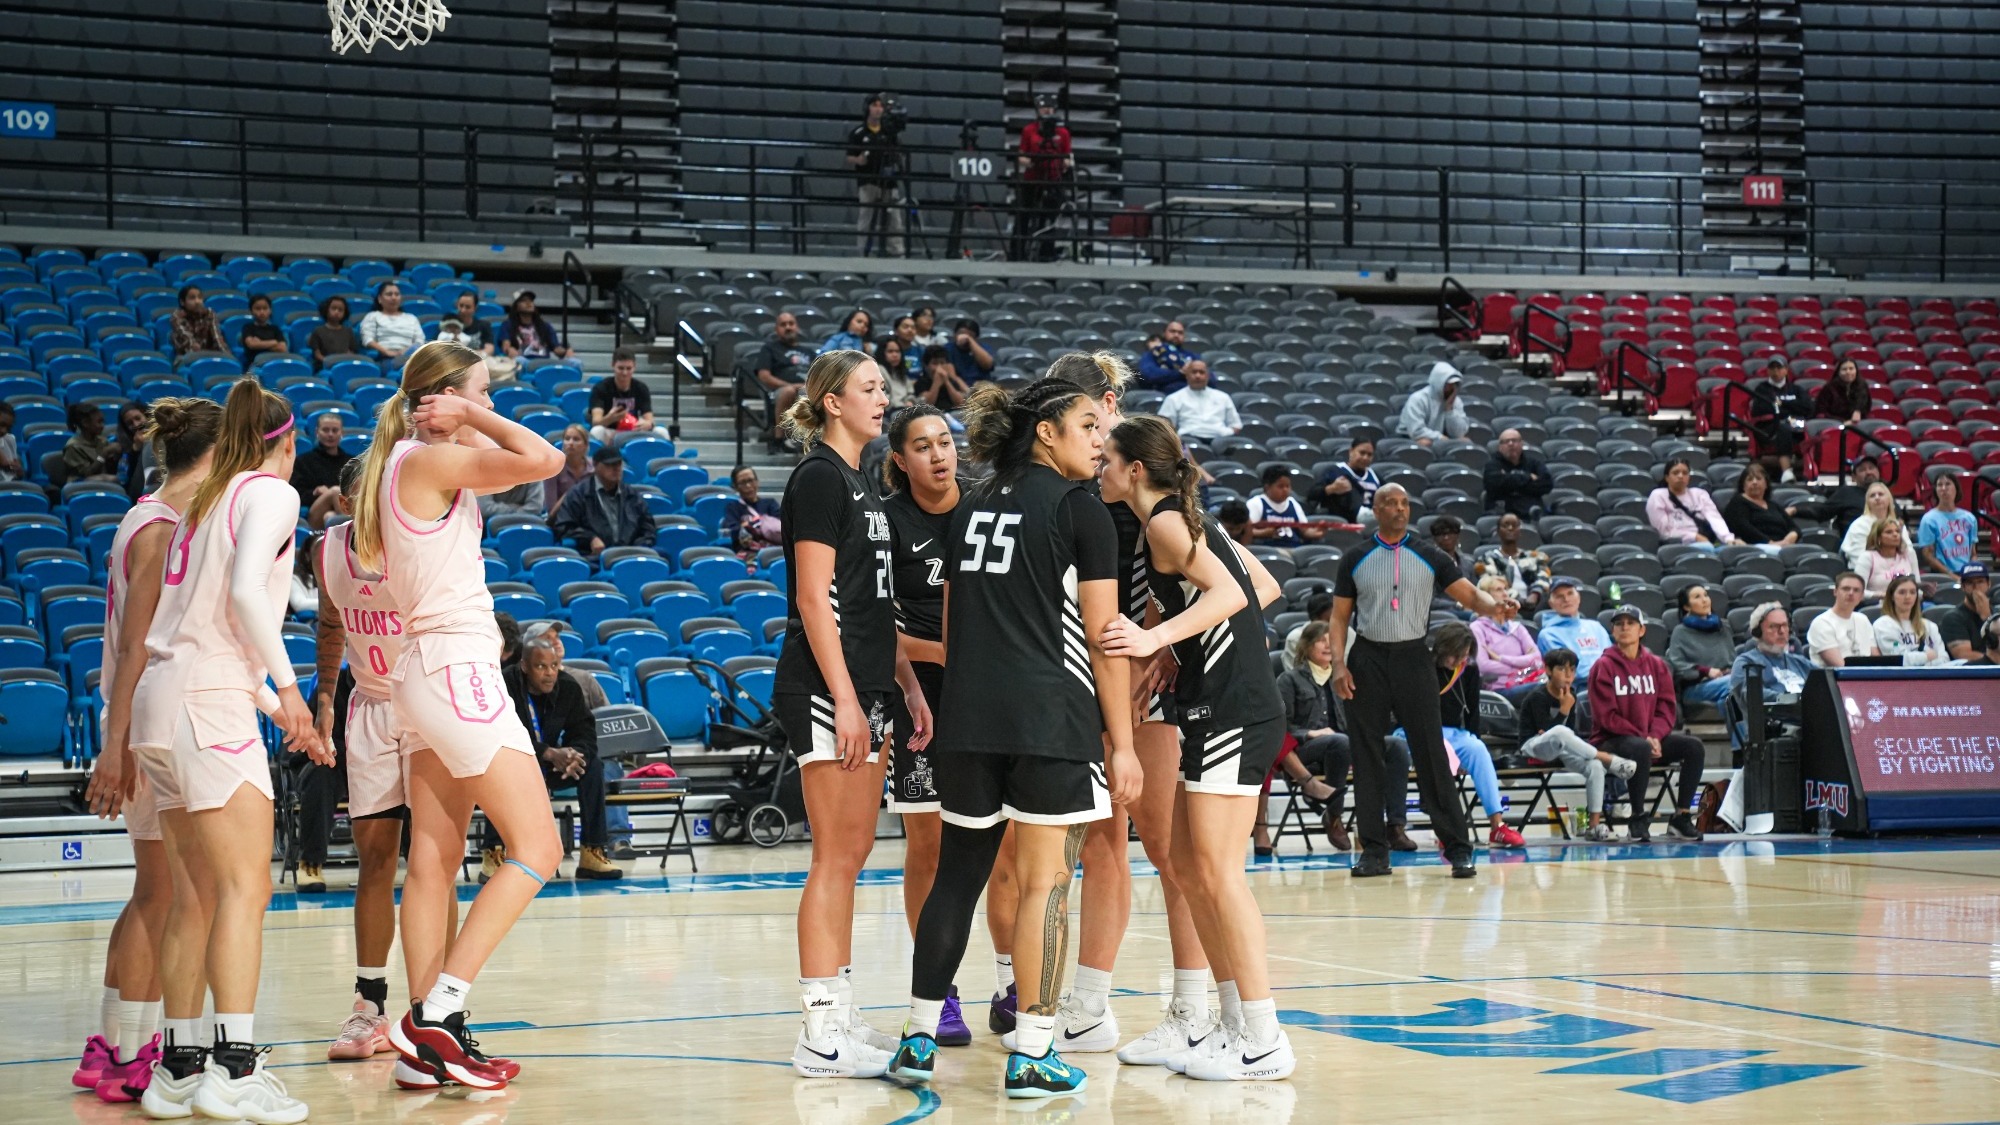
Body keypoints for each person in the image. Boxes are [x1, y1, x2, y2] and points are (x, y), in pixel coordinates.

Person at [888, 377, 1136, 1100]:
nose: (1101, 438)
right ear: (1048, 433)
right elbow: (1104, 637)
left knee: (955, 877)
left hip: (968, 720)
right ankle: (1033, 1052)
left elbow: (953, 622)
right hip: (1049, 721)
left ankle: (916, 1037)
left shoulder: (971, 507)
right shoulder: (1080, 510)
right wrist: (1120, 742)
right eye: (1088, 424)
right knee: (1046, 883)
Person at [348, 339, 564, 1093]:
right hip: (455, 670)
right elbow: (546, 460)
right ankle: (437, 1015)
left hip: (421, 672)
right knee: (539, 845)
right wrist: (470, 414)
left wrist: (461, 414)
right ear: (442, 401)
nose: (490, 406)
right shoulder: (430, 459)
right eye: (479, 393)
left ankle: (422, 1044)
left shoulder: (403, 461)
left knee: (434, 861)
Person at [126, 379, 327, 1120]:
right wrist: (293, 688)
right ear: (289, 441)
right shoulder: (271, 493)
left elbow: (209, 628)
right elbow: (245, 598)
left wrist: (279, 709)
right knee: (246, 889)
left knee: (195, 894)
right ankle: (234, 1072)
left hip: (165, 702)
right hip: (208, 704)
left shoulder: (204, 498)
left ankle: (176, 1071)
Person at [1098, 411, 1298, 1080]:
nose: (1099, 469)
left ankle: (1264, 1036)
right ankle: (1231, 1021)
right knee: (1188, 864)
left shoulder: (1162, 521)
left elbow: (1227, 595)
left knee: (1217, 872)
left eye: (1107, 460)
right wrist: (1182, 648)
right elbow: (1262, 586)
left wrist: (1156, 639)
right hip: (1215, 701)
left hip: (1236, 708)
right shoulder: (1185, 516)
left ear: (1133, 469)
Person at [772, 350, 932, 1080]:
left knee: (856, 852)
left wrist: (906, 685)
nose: (884, 396)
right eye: (869, 387)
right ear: (832, 401)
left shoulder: (863, 484)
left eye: (883, 386)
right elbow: (813, 599)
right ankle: (818, 1029)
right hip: (824, 688)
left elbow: (872, 611)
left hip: (869, 687)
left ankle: (837, 1009)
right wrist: (842, 697)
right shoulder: (816, 478)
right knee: (834, 857)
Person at [79, 398, 221, 1106]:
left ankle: (112, 1046)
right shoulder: (164, 528)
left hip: (135, 712)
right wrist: (116, 744)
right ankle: (133, 1052)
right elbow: (135, 645)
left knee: (153, 891)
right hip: (144, 717)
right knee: (165, 894)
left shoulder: (146, 512)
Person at [302, 460, 426, 1064]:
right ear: (349, 496)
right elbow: (330, 624)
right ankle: (370, 1007)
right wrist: (326, 696)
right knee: (375, 860)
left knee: (432, 860)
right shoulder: (327, 549)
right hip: (372, 707)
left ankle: (435, 1011)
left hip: (429, 704)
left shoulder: (420, 538)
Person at [1328, 482, 1510, 879]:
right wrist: (1339, 665)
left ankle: (1458, 848)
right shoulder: (1355, 556)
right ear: (1375, 510)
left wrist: (1497, 606)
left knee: (1431, 752)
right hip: (1367, 658)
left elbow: (1469, 596)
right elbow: (1339, 617)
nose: (1399, 508)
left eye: (1404, 503)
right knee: (1367, 754)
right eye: (1390, 503)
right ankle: (1374, 850)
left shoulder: (1429, 554)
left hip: (1413, 656)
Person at [879, 403, 971, 1046]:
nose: (939, 454)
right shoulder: (885, 521)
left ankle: (1013, 982)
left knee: (1015, 849)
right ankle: (938, 993)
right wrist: (935, 660)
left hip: (993, 691)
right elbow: (873, 627)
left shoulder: (988, 511)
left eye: (945, 441)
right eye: (923, 445)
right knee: (930, 846)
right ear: (899, 460)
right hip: (922, 695)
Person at [479, 635, 623, 879]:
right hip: (515, 762)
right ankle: (494, 851)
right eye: (540, 666)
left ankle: (592, 851)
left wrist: (575, 754)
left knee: (593, 767)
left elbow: (586, 732)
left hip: (552, 765)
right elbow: (498, 734)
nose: (549, 673)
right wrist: (546, 751)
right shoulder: (504, 685)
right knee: (500, 769)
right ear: (524, 666)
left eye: (554, 666)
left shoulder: (568, 687)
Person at [1589, 606, 1706, 842]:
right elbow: (1607, 716)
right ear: (1612, 631)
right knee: (1639, 748)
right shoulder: (1603, 666)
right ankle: (1638, 818)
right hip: (1610, 741)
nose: (1624, 627)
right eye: (1619, 623)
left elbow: (1666, 708)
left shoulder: (1657, 665)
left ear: (1642, 630)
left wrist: (1655, 735)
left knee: (1694, 746)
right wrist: (1645, 738)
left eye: (1630, 623)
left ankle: (1681, 817)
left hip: (1647, 738)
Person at [1407, 623, 1526, 848]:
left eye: (1464, 655)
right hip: (1415, 730)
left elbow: (1472, 714)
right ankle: (1448, 828)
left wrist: (1472, 741)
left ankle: (1497, 826)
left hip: (1453, 732)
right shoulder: (1422, 667)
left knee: (1478, 750)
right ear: (1442, 648)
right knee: (1445, 752)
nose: (1459, 660)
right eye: (1455, 655)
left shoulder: (1469, 670)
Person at [1516, 648, 1636, 842]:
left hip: (1562, 747)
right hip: (1533, 747)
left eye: (1572, 670)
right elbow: (1546, 732)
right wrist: (1564, 709)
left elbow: (1571, 732)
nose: (1568, 675)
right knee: (1560, 732)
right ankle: (1607, 758)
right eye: (1562, 670)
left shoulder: (1571, 694)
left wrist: (1566, 712)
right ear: (1548, 670)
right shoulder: (1537, 696)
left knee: (1594, 766)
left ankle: (1594, 826)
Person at [1277, 622, 1355, 849]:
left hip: (1342, 746)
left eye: (1332, 641)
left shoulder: (1342, 678)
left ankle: (1393, 825)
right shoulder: (1289, 680)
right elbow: (1281, 727)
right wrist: (1309, 733)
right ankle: (1334, 816)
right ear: (1307, 646)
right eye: (1322, 640)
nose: (1328, 645)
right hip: (1304, 749)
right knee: (1339, 742)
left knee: (1394, 747)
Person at [551, 446, 656, 560]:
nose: (615, 468)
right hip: (594, 557)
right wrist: (590, 538)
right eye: (609, 465)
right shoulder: (578, 494)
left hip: (631, 555)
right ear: (595, 465)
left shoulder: (632, 496)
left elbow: (648, 528)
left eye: (618, 464)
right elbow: (564, 526)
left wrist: (639, 547)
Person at [1012, 92, 1073, 262]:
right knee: (1023, 216)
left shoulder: (1063, 132)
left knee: (1050, 218)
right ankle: (1017, 252)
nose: (1047, 110)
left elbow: (1067, 155)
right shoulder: (1029, 130)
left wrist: (1065, 163)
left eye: (1050, 108)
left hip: (1053, 179)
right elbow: (1021, 155)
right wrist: (1031, 162)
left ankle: (1046, 253)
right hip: (1032, 179)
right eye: (1043, 108)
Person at [848, 94, 905, 256]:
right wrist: (858, 159)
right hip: (868, 181)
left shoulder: (890, 133)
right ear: (867, 108)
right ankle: (863, 252)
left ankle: (896, 251)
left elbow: (898, 153)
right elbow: (849, 156)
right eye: (874, 105)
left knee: (894, 218)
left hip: (889, 181)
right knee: (866, 218)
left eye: (881, 106)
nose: (878, 109)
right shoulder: (858, 133)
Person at [1472, 574, 1545, 702]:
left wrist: (1501, 659)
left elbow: (1537, 659)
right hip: (1499, 689)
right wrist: (1521, 668)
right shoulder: (1478, 628)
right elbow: (1484, 666)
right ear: (1486, 596)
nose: (1505, 594)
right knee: (1544, 689)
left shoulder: (1517, 627)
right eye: (1499, 590)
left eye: (1505, 589)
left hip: (1526, 682)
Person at [754, 312, 815, 448]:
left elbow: (819, 376)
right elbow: (764, 375)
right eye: (783, 324)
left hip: (806, 389)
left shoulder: (809, 352)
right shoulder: (769, 348)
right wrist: (791, 386)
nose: (788, 327)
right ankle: (778, 439)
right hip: (780, 391)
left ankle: (810, 441)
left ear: (797, 327)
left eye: (791, 324)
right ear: (777, 330)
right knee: (788, 391)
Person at [1646, 457, 1735, 549]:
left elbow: (1715, 518)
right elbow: (1663, 532)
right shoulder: (1658, 496)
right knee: (1706, 548)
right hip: (1677, 544)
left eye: (1685, 473)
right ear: (1667, 477)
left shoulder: (1700, 494)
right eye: (1676, 473)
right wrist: (1693, 536)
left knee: (1734, 549)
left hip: (1706, 540)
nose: (1680, 476)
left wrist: (1728, 539)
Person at [1538, 577, 1614, 682]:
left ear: (1578, 598)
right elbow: (1567, 672)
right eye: (1559, 596)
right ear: (1551, 604)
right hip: (1579, 690)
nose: (1566, 599)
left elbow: (1612, 659)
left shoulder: (1596, 627)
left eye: (1570, 593)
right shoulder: (1548, 635)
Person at [1474, 512, 1551, 614]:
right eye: (1505, 525)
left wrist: (1535, 594)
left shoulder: (1534, 557)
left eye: (1514, 526)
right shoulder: (1487, 559)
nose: (1510, 528)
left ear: (1520, 531)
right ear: (1498, 531)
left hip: (1535, 605)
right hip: (1503, 607)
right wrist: (1520, 601)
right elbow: (1491, 585)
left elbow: (1543, 578)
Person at [1749, 357, 1813, 481]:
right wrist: (1791, 408)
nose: (1776, 371)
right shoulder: (1762, 389)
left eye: (1779, 368)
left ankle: (1812, 469)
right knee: (1784, 427)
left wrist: (1782, 404)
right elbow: (1761, 409)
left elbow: (1808, 408)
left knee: (1810, 428)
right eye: (1772, 368)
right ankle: (1787, 471)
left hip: (1795, 423)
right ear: (1767, 371)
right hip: (1769, 427)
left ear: (1786, 370)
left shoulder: (1796, 389)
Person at [587, 348, 667, 444]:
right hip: (611, 430)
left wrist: (646, 424)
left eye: (629, 368)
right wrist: (611, 418)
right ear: (613, 365)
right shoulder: (601, 388)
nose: (625, 373)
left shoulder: (641, 388)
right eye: (620, 368)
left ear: (634, 367)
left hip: (634, 430)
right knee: (597, 431)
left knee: (661, 431)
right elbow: (596, 422)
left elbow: (649, 419)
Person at [1722, 461, 1801, 549]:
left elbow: (1794, 527)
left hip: (1783, 545)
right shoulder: (1737, 503)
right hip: (1754, 547)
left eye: (1759, 479)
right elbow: (1744, 528)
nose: (1754, 482)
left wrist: (1790, 538)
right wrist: (1770, 543)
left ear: (1766, 484)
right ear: (1743, 486)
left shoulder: (1774, 506)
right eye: (1750, 479)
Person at [1807, 572, 1878, 668]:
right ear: (1835, 592)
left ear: (1861, 596)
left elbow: (1876, 659)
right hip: (1836, 680)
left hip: (1865, 677)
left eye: (1856, 590)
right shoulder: (1821, 623)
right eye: (1846, 589)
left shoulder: (1863, 619)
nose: (1851, 593)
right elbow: (1840, 667)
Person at [1872, 575, 1947, 666]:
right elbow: (1898, 659)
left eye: (1912, 592)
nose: (1908, 597)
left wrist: (1924, 664)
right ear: (1892, 596)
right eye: (1902, 592)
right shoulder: (1883, 624)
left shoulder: (1930, 626)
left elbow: (1944, 658)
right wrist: (1926, 656)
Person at [1157, 360, 1240, 440]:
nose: (1198, 376)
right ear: (1186, 375)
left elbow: (1236, 425)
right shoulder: (1174, 398)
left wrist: (1226, 433)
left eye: (1201, 372)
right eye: (1194, 372)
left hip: (1220, 438)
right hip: (1188, 439)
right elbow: (1164, 426)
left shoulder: (1223, 397)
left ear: (1208, 376)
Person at [1917, 473, 1980, 576]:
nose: (1943, 488)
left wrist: (1971, 572)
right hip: (1942, 574)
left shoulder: (1969, 518)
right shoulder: (1929, 519)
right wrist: (1952, 576)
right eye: (1939, 485)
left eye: (1947, 484)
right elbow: (1928, 556)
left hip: (1965, 573)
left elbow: (1973, 553)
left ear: (1956, 489)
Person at [1245, 465, 1319, 549]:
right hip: (1269, 548)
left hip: (1294, 548)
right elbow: (1246, 532)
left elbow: (1305, 531)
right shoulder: (1256, 503)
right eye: (1280, 486)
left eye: (1287, 486)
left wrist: (1316, 532)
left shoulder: (1293, 503)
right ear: (1267, 487)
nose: (1285, 490)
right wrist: (1263, 533)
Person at [1482, 429, 1551, 518]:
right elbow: (1493, 484)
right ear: (1500, 447)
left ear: (1521, 444)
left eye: (1514, 440)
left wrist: (1509, 480)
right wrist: (1528, 477)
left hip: (1532, 515)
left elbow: (1547, 484)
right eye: (1506, 442)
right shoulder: (1492, 465)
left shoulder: (1534, 463)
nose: (1511, 444)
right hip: (1502, 515)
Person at [1396, 361, 1469, 446]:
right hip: (1409, 438)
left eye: (1453, 384)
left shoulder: (1455, 401)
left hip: (1441, 438)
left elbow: (1459, 433)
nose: (1450, 388)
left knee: (1465, 441)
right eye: (1447, 384)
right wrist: (1440, 437)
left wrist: (1449, 410)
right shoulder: (1418, 399)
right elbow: (1416, 430)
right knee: (1425, 443)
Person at [289, 411, 350, 510]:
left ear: (342, 433)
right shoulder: (303, 461)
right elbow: (295, 494)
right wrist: (314, 492)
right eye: (325, 430)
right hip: (315, 512)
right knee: (335, 492)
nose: (330, 434)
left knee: (329, 516)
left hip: (340, 510)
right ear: (317, 432)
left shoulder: (350, 462)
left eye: (335, 430)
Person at [358, 281, 424, 364]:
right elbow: (367, 339)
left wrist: (405, 352)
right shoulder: (373, 316)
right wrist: (386, 352)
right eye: (389, 294)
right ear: (379, 299)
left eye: (397, 294)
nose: (394, 297)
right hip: (385, 358)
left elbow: (419, 340)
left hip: (409, 355)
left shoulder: (411, 318)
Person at [1314, 437, 1378, 522]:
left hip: (1373, 520)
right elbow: (1312, 494)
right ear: (1351, 451)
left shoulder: (1375, 475)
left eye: (1369, 455)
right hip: (1345, 520)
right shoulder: (1335, 470)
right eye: (1362, 453)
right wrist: (1331, 489)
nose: (1365, 458)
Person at [722, 464, 783, 553]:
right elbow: (734, 532)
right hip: (748, 552)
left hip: (775, 550)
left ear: (757, 482)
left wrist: (749, 525)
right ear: (735, 486)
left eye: (751, 480)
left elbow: (781, 526)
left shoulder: (770, 503)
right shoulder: (733, 507)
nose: (748, 486)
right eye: (743, 482)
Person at [1855, 518, 1920, 598]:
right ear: (1878, 538)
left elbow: (1917, 585)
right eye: (1889, 532)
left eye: (1897, 531)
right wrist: (1885, 596)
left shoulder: (1909, 554)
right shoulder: (1867, 557)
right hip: (1878, 605)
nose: (1895, 534)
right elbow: (1857, 591)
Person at [1940, 562, 1992, 661]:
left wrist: (1988, 618)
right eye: (1970, 583)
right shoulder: (1953, 618)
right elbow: (1963, 655)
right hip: (1970, 674)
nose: (1976, 587)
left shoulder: (1997, 614)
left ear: (1989, 584)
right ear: (1963, 586)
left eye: (1980, 581)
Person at [498, 291, 570, 362]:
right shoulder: (508, 325)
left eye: (531, 301)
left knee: (575, 362)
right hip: (523, 361)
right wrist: (509, 349)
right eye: (523, 301)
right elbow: (506, 346)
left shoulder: (544, 326)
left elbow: (556, 349)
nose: (529, 303)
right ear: (516, 307)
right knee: (519, 360)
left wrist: (566, 351)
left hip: (543, 362)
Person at [1840, 480, 1897, 569]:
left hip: (1894, 572)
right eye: (1872, 495)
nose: (1877, 498)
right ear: (1868, 503)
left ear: (1889, 499)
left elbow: (1908, 553)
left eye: (1881, 494)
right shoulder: (1859, 525)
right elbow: (1859, 561)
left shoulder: (1896, 524)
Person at [64, 402, 123, 482]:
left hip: (101, 478)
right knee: (112, 479)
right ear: (85, 423)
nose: (103, 426)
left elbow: (109, 468)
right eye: (99, 422)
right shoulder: (73, 446)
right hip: (79, 483)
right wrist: (104, 454)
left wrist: (116, 456)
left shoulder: (102, 441)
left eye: (103, 422)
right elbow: (86, 473)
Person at [1137, 321, 1202, 393]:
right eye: (1172, 331)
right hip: (1166, 394)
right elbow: (1149, 374)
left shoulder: (1191, 356)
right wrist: (1180, 373)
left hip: (1194, 394)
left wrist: (1193, 372)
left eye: (1180, 333)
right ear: (1164, 333)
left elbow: (1210, 377)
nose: (1176, 335)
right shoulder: (1152, 354)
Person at [1825, 454, 1883, 531]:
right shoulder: (1846, 493)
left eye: (1871, 468)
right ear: (1853, 477)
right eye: (1862, 470)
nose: (1868, 472)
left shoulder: (1886, 493)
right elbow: (1823, 512)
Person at [169, 285, 229, 357]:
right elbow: (189, 340)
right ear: (182, 302)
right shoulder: (177, 316)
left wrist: (227, 356)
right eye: (192, 298)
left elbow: (217, 337)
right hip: (185, 356)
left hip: (208, 355)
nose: (197, 301)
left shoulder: (209, 313)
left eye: (200, 297)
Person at [545, 423, 591, 513]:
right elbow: (551, 509)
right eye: (567, 439)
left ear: (585, 446)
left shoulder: (594, 469)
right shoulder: (554, 468)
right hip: (562, 518)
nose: (570, 443)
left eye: (576, 439)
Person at [308, 295, 360, 368]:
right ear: (326, 310)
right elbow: (317, 354)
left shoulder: (349, 331)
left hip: (344, 365)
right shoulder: (318, 331)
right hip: (325, 366)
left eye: (340, 310)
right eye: (333, 308)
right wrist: (329, 362)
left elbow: (352, 351)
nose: (336, 312)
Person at [1814, 357, 1870, 424]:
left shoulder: (1862, 386)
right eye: (1844, 369)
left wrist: (1858, 411)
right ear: (1838, 372)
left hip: (1857, 425)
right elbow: (1821, 413)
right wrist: (1842, 422)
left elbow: (1866, 407)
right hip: (1833, 424)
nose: (1848, 372)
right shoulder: (1829, 388)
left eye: (1851, 369)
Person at [916, 344, 970, 409]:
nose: (939, 367)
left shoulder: (951, 380)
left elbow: (960, 403)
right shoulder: (921, 382)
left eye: (942, 363)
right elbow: (927, 405)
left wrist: (947, 382)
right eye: (935, 363)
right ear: (926, 366)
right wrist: (936, 383)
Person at [943, 319, 995, 384]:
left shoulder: (984, 348)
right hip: (958, 388)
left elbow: (987, 365)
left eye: (970, 335)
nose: (964, 337)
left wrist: (970, 341)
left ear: (976, 338)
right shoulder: (948, 348)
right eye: (961, 333)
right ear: (955, 334)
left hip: (981, 387)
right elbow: (952, 377)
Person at [875, 337, 917, 406]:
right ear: (882, 353)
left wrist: (910, 401)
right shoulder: (878, 370)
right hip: (888, 411)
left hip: (905, 409)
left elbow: (910, 393)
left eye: (897, 351)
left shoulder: (901, 372)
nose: (895, 355)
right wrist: (901, 405)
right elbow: (881, 395)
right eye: (890, 351)